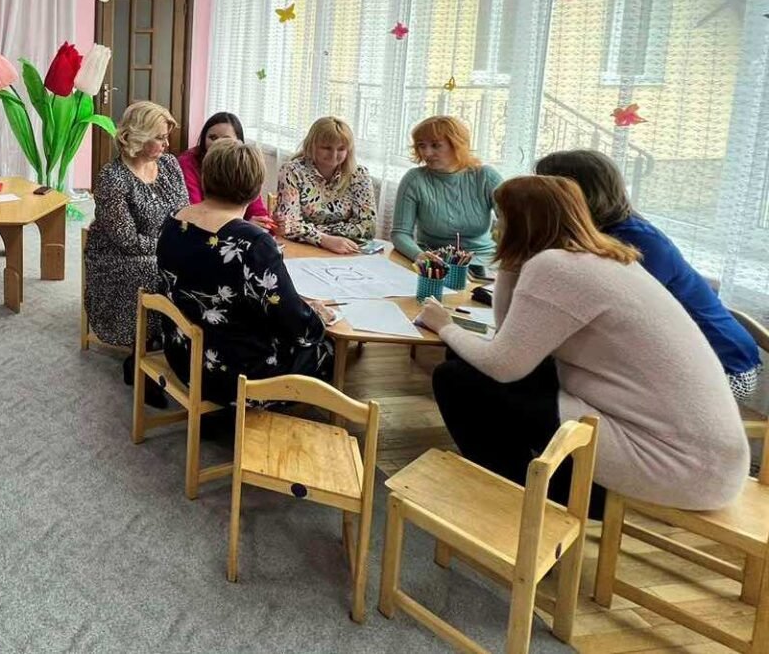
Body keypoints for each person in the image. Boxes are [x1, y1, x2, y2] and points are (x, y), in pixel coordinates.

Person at [418, 175, 749, 513]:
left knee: (455, 378)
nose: (495, 228)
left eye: (500, 218)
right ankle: (528, 484)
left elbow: (503, 366)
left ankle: (519, 500)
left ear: (520, 222)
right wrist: (512, 261)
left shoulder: (556, 267)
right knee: (471, 363)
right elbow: (508, 341)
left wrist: (444, 326)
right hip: (705, 462)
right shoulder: (605, 258)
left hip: (668, 465)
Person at [536, 149, 761, 399]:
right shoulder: (600, 232)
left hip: (724, 370)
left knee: (558, 384)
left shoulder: (636, 241)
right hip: (678, 358)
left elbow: (611, 315)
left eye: (544, 189)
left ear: (576, 194)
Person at [158, 140, 334, 405]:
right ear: (256, 189)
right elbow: (297, 326)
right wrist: (317, 315)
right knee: (326, 350)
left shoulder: (174, 218)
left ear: (206, 177)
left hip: (182, 354)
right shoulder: (252, 242)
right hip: (232, 377)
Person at [86, 100, 190, 371]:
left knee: (202, 267)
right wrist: (172, 247)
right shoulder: (112, 178)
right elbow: (127, 241)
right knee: (155, 272)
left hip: (164, 247)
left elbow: (184, 213)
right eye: (160, 138)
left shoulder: (170, 165)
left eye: (166, 137)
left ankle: (180, 342)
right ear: (138, 137)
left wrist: (182, 244)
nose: (167, 144)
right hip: (118, 259)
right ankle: (146, 346)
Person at [391, 115, 502, 268]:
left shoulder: (486, 177)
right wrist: (419, 255)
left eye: (435, 145)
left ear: (457, 145)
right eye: (421, 146)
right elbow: (400, 233)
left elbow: (515, 225)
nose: (427, 153)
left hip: (483, 262)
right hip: (433, 263)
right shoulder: (414, 179)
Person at [274, 116, 378, 253]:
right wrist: (325, 240)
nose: (334, 155)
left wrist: (313, 231)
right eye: (327, 148)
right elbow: (288, 226)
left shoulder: (359, 174)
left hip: (345, 249)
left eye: (341, 149)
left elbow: (368, 228)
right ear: (312, 145)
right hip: (302, 249)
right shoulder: (292, 171)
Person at [177, 113, 277, 234]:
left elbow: (258, 211)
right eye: (212, 137)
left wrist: (271, 226)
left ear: (239, 143)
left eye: (225, 139)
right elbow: (197, 212)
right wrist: (244, 226)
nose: (217, 143)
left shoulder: (243, 163)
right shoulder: (188, 162)